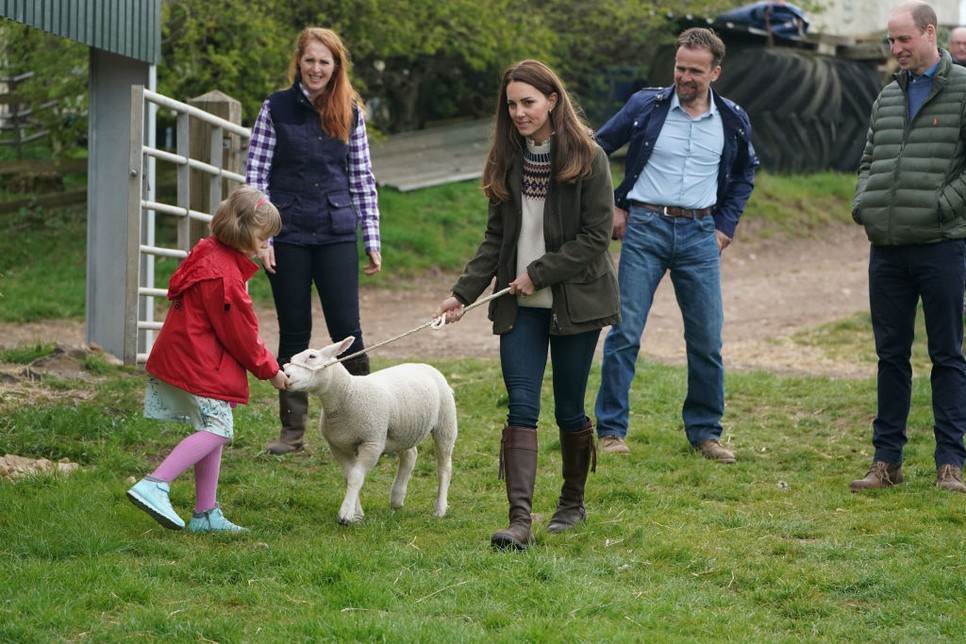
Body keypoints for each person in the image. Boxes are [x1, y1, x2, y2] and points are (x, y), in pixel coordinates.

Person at [435, 60, 620, 551]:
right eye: (512, 104)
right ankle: (520, 521)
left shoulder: (590, 157)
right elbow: (496, 239)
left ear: (552, 100)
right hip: (519, 308)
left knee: (568, 409)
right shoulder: (508, 160)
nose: (518, 112)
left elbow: (596, 238)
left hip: (575, 301)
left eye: (528, 102)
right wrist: (462, 294)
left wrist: (537, 272)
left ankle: (572, 502)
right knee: (521, 406)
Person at [592, 27, 758, 461]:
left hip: (702, 235)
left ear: (715, 72)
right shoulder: (646, 105)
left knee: (707, 338)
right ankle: (611, 431)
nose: (684, 77)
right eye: (680, 67)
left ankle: (705, 433)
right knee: (625, 332)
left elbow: (745, 174)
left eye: (695, 71)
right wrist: (611, 206)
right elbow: (596, 149)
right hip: (644, 227)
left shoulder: (732, 119)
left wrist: (726, 226)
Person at [246, 27, 381, 456]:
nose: (317, 68)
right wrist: (259, 236)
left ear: (336, 66)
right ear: (299, 63)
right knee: (294, 330)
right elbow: (256, 178)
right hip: (287, 235)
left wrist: (371, 238)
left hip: (337, 232)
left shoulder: (351, 111)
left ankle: (367, 416)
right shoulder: (275, 108)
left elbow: (362, 178)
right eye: (310, 60)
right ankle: (293, 432)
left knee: (348, 329)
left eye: (325, 61)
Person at [850, 1, 966, 494]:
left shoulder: (962, 90)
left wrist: (943, 206)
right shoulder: (887, 96)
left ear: (929, 34)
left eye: (902, 39)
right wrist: (865, 205)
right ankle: (886, 462)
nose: (895, 49)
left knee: (947, 354)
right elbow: (869, 157)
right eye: (890, 41)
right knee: (890, 356)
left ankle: (950, 464)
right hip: (888, 247)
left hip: (942, 244)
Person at [127, 186, 290, 532]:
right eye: (263, 238)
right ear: (243, 232)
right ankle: (156, 483)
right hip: (198, 362)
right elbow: (242, 335)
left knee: (212, 426)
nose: (266, 245)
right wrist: (271, 370)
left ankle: (205, 514)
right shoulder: (225, 277)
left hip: (191, 355)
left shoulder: (209, 252)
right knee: (218, 429)